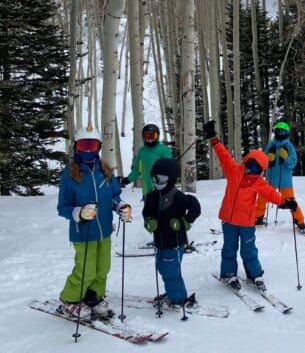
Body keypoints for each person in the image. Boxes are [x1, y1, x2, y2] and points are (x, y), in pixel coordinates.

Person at [203, 119, 297, 290]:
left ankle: (255, 274)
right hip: (229, 221)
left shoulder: (258, 182)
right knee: (229, 249)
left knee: (249, 250)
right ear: (246, 161)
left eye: (256, 169)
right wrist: (214, 138)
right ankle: (229, 273)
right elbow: (223, 155)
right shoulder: (233, 171)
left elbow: (270, 193)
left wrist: (284, 202)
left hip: (246, 223)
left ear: (260, 171)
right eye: (250, 165)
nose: (250, 170)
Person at [58, 125, 132, 319]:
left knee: (103, 267)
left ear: (99, 146)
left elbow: (114, 196)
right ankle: (70, 299)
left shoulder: (105, 171)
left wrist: (122, 206)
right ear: (76, 147)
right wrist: (79, 212)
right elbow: (62, 207)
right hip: (83, 232)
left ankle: (93, 297)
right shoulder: (69, 174)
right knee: (86, 269)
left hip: (105, 230)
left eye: (92, 145)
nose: (89, 150)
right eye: (84, 145)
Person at [142, 157, 201, 306]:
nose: (156, 182)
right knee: (162, 268)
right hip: (160, 242)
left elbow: (195, 206)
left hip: (174, 242)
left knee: (171, 271)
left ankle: (178, 298)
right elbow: (146, 211)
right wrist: (149, 220)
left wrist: (184, 222)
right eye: (154, 177)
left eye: (160, 178)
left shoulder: (177, 196)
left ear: (171, 179)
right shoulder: (152, 196)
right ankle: (172, 291)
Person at [254, 120, 305, 232]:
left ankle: (300, 222)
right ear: (275, 132)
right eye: (279, 131)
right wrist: (269, 159)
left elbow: (293, 164)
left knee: (291, 201)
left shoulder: (289, 147)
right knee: (262, 198)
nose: (280, 133)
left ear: (286, 133)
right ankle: (257, 218)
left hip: (285, 181)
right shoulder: (271, 145)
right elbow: (263, 161)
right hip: (270, 179)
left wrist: (286, 158)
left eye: (283, 131)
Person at [120, 123, 172, 197]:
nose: (150, 139)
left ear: (157, 136)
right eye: (147, 136)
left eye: (153, 136)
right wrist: (127, 180)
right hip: (146, 190)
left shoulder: (164, 150)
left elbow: (169, 169)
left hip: (161, 190)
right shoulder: (142, 151)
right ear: (143, 137)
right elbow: (137, 170)